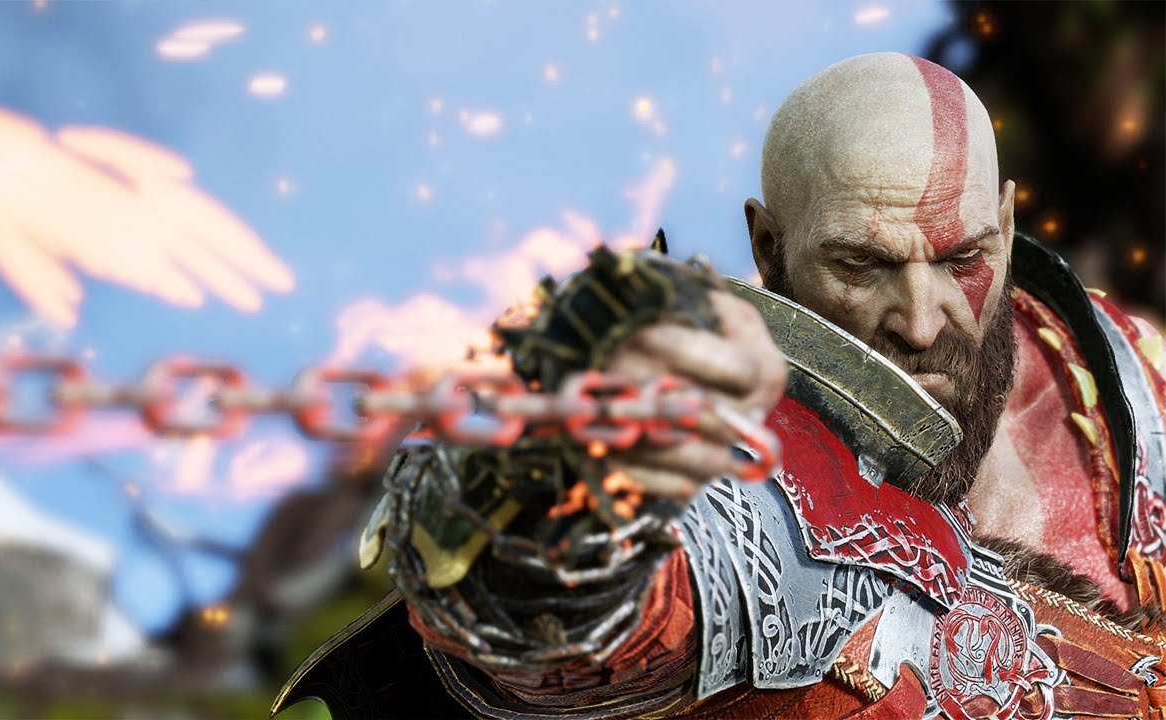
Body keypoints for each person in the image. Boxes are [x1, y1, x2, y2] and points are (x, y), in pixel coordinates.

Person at [274, 52, 1166, 719]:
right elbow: (640, 606)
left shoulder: (1122, 370)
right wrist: (549, 519)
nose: (923, 320)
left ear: (1004, 226)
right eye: (862, 265)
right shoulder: (738, 453)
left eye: (962, 257)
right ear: (769, 251)